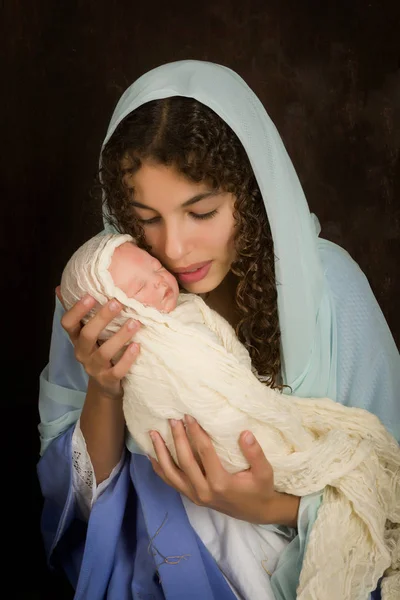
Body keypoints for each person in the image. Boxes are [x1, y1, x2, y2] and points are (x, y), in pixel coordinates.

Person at [37, 60, 400, 600]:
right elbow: (81, 514)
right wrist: (105, 386)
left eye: (201, 212)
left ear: (249, 197)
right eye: (146, 217)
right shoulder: (109, 291)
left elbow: (387, 485)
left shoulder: (329, 292)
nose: (174, 249)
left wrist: (266, 505)